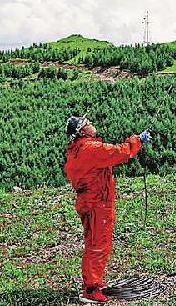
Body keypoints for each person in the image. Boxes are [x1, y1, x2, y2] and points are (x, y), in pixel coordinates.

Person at [64, 116, 153, 303]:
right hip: (97, 203)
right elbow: (118, 152)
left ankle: (93, 281)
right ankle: (91, 289)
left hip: (91, 201)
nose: (91, 125)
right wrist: (138, 140)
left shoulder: (79, 149)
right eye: (87, 124)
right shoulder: (91, 149)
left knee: (94, 244)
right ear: (81, 132)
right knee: (98, 246)